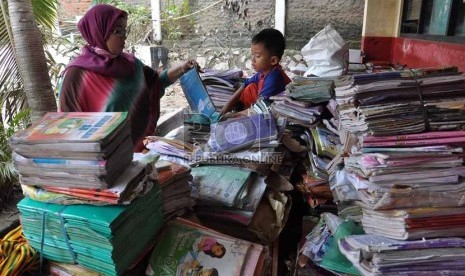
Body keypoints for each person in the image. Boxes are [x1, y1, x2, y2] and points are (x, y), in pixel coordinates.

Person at [58, 4, 197, 152]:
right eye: (117, 31)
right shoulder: (77, 76)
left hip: (142, 154)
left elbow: (156, 82)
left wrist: (183, 68)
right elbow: (68, 127)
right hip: (106, 160)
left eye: (125, 30)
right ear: (99, 31)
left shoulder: (130, 64)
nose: (124, 36)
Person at [220, 28, 291, 115]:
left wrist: (232, 116)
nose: (252, 60)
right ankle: (240, 109)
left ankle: (240, 112)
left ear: (273, 60)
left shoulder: (274, 79)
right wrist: (227, 105)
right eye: (252, 55)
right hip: (262, 105)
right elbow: (245, 84)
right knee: (250, 87)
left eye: (257, 56)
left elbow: (260, 109)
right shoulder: (263, 72)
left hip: (275, 114)